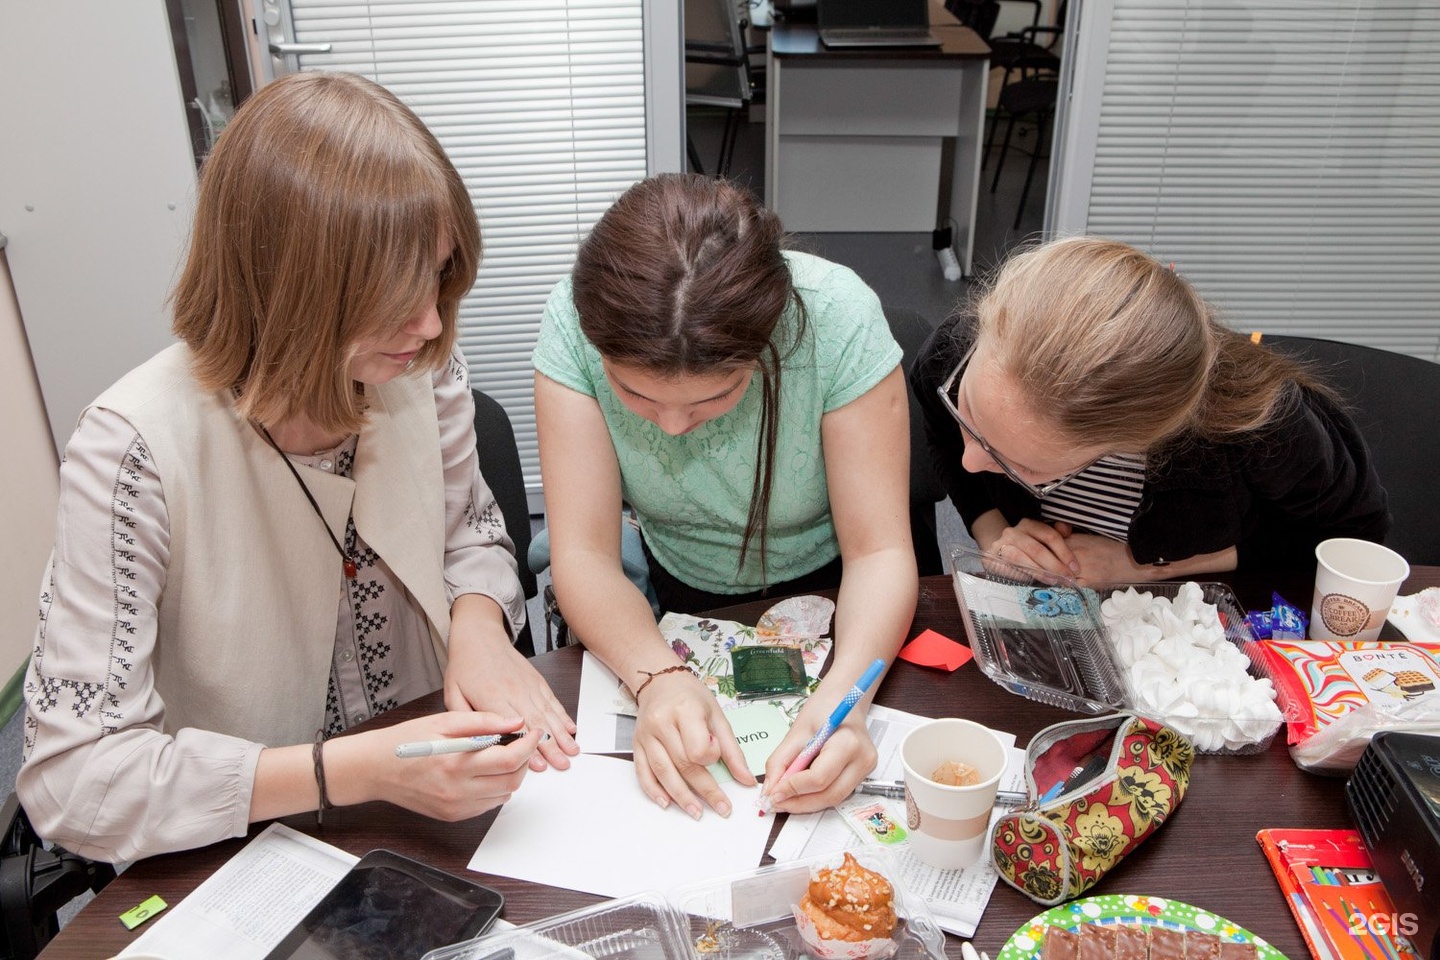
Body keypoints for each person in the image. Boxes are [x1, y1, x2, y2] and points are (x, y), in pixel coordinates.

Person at [17, 72, 579, 864]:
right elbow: (74, 783)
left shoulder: (414, 368)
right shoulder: (131, 453)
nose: (427, 322)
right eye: (393, 295)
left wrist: (480, 627)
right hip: (244, 845)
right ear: (289, 292)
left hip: (438, 815)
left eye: (438, 274)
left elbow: (470, 531)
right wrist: (345, 771)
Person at [533, 174, 917, 820]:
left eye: (712, 398)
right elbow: (584, 554)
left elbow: (879, 551)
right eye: (637, 396)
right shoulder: (572, 326)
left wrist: (842, 707)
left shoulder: (837, 316)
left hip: (838, 593)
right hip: (671, 596)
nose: (675, 426)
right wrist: (656, 677)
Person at [910, 236, 1389, 583]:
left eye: (1023, 464)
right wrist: (994, 532)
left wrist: (1146, 564)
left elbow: (1352, 543)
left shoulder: (1261, 428)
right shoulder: (954, 354)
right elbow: (944, 439)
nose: (971, 459)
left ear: (1136, 442)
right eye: (966, 408)